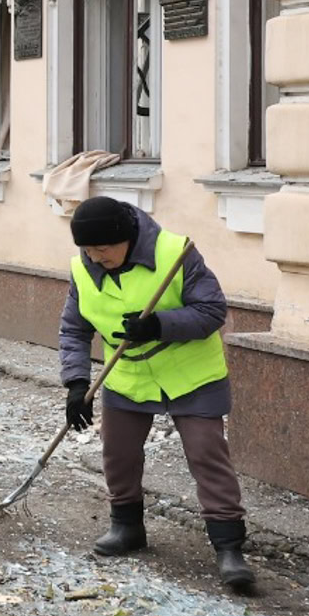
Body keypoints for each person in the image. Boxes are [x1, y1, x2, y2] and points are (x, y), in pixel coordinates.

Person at [59, 196, 255, 590]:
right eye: (88, 249)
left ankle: (229, 547)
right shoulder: (83, 269)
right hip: (128, 377)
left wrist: (158, 325)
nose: (96, 258)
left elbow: (213, 310)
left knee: (206, 456)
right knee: (118, 454)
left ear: (127, 237)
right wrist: (76, 383)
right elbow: (75, 329)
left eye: (103, 248)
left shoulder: (176, 254)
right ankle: (127, 527)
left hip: (190, 375)